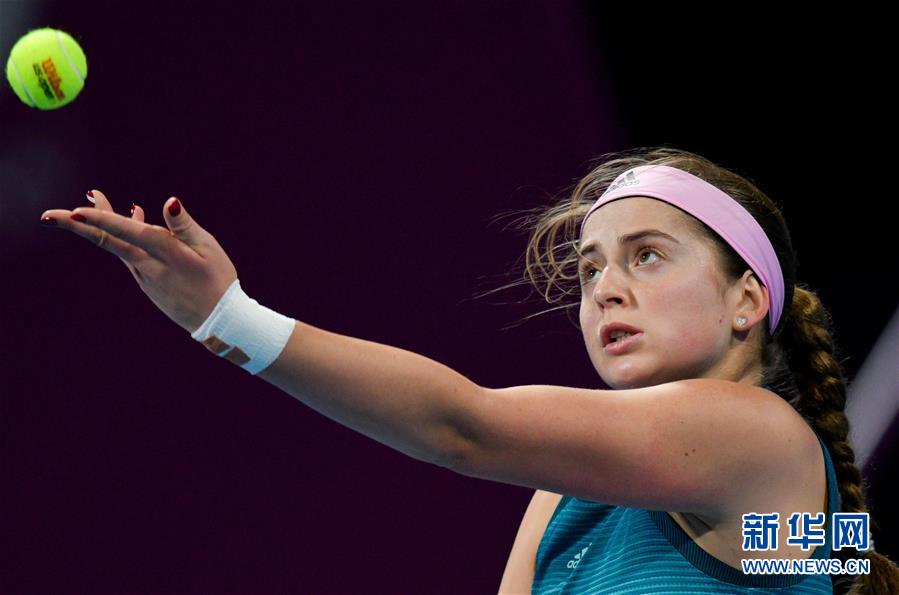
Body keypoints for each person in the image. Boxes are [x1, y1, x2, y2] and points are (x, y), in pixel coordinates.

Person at [39, 146, 898, 593]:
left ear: (746, 300)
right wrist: (827, 549)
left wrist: (229, 318)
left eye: (645, 256)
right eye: (591, 269)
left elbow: (463, 427)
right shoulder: (563, 498)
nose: (604, 288)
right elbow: (809, 549)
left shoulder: (755, 434)